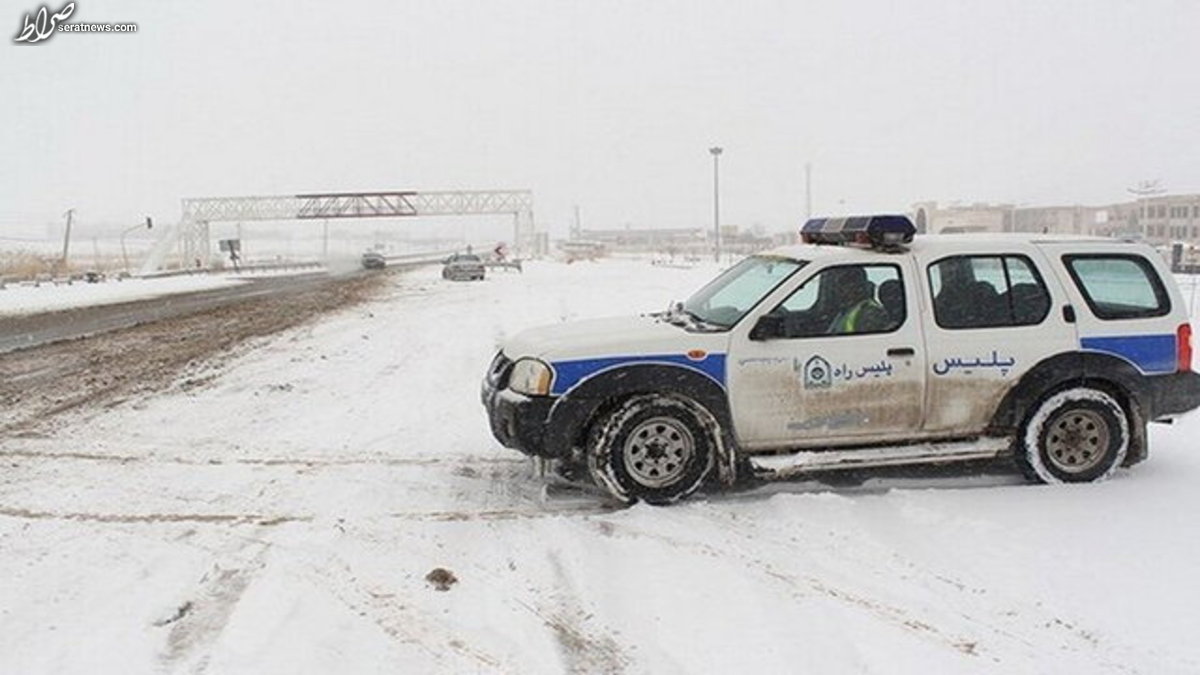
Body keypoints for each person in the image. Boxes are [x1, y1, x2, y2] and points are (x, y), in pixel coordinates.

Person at [826, 267, 887, 334]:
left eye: (844, 284)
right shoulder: (845, 311)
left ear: (858, 287)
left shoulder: (871, 313)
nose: (838, 290)